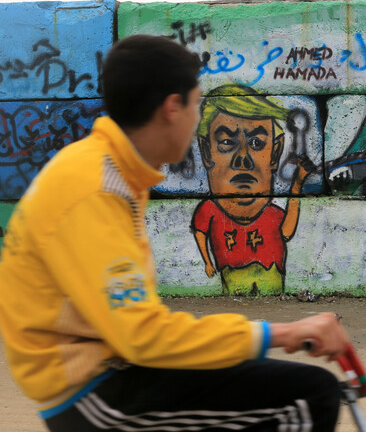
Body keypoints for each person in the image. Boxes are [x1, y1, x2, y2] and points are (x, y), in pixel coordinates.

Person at [0, 35, 348, 431]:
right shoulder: (95, 189)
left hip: (111, 372)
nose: (197, 119)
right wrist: (281, 332)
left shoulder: (106, 171)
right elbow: (142, 335)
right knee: (308, 396)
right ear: (171, 107)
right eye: (197, 105)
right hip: (94, 395)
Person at [192, 85, 313, 296]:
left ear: (275, 153)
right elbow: (200, 232)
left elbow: (286, 231)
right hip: (233, 275)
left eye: (257, 142)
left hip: (271, 275)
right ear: (205, 151)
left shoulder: (272, 215)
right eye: (227, 142)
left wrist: (297, 184)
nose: (243, 158)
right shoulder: (210, 211)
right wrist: (207, 262)